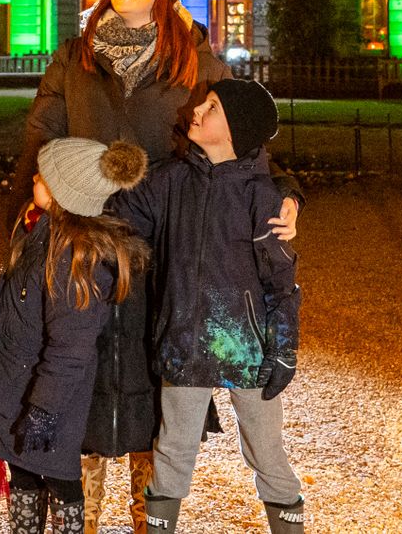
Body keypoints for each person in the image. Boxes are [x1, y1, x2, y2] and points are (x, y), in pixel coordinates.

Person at [17, 0, 302, 533]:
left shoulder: (194, 61)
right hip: (87, 240)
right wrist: (34, 196)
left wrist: (288, 192)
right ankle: (84, 517)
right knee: (81, 375)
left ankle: (150, 521)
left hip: (165, 247)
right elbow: (44, 132)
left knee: (157, 385)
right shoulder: (74, 57)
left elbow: (242, 138)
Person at [109, 79, 303, 533]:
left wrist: (283, 349)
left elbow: (281, 281)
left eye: (212, 107)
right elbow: (119, 211)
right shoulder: (171, 181)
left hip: (246, 347)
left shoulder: (261, 198)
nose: (197, 110)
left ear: (234, 129)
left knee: (266, 451)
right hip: (184, 343)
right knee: (173, 450)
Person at [0, 138, 151, 534]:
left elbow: (70, 349)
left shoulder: (76, 261)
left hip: (50, 402)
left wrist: (45, 409)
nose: (34, 177)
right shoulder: (42, 233)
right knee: (25, 474)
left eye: (43, 176)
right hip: (22, 389)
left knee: (59, 478)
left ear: (65, 195)